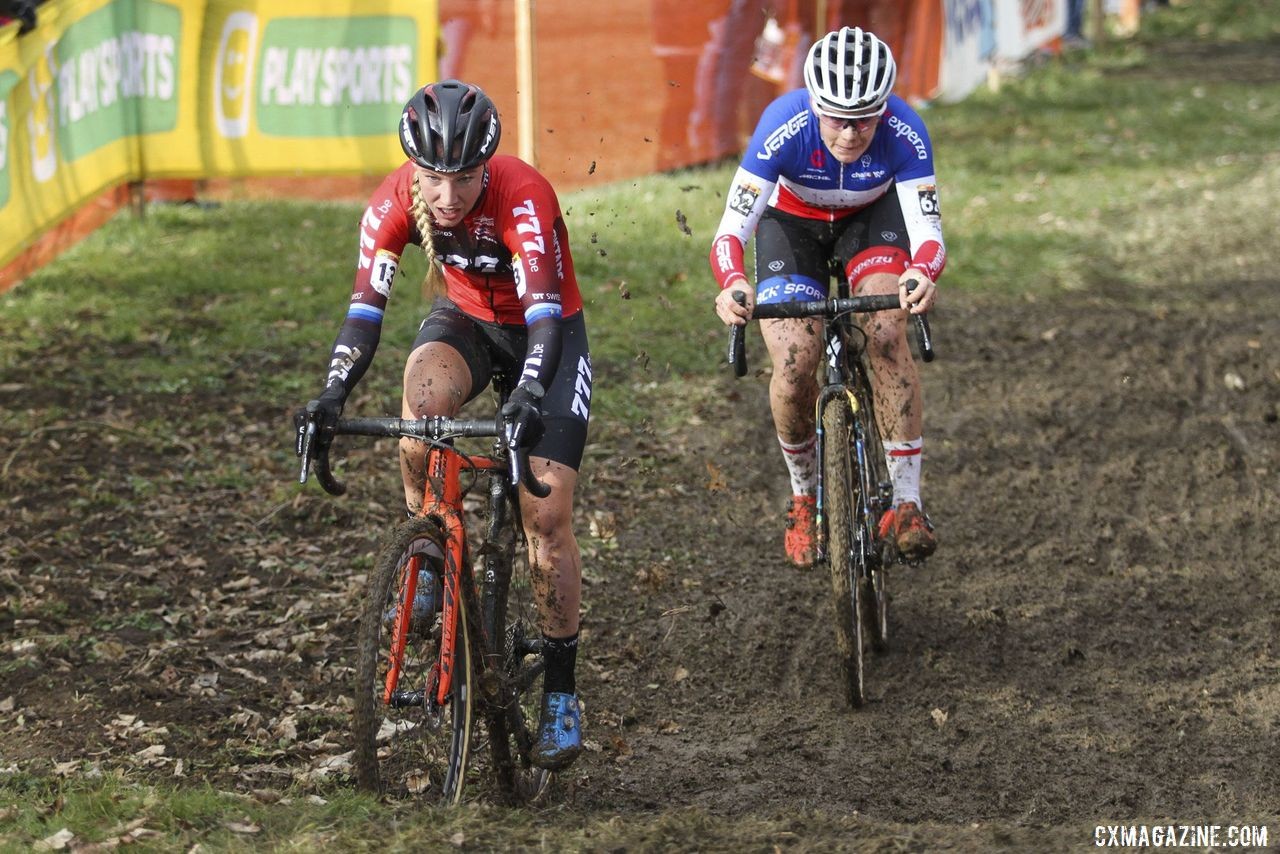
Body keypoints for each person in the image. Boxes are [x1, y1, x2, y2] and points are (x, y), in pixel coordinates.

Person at [295, 80, 591, 771]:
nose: (449, 196)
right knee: (418, 419)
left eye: (462, 179)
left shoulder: (523, 194)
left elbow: (545, 318)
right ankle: (428, 547)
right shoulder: (395, 200)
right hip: (464, 323)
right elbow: (364, 313)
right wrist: (332, 395)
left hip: (545, 335)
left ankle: (561, 694)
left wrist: (524, 394)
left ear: (485, 166)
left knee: (545, 515)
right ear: (415, 169)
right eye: (434, 178)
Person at [709, 27, 945, 566]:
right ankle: (803, 496)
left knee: (884, 332)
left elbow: (928, 233)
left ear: (884, 109)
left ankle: (906, 503)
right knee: (794, 363)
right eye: (837, 117)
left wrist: (922, 272)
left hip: (872, 222)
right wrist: (733, 283)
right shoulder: (781, 124)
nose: (850, 133)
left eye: (865, 118)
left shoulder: (906, 131)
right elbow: (729, 233)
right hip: (793, 228)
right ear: (814, 104)